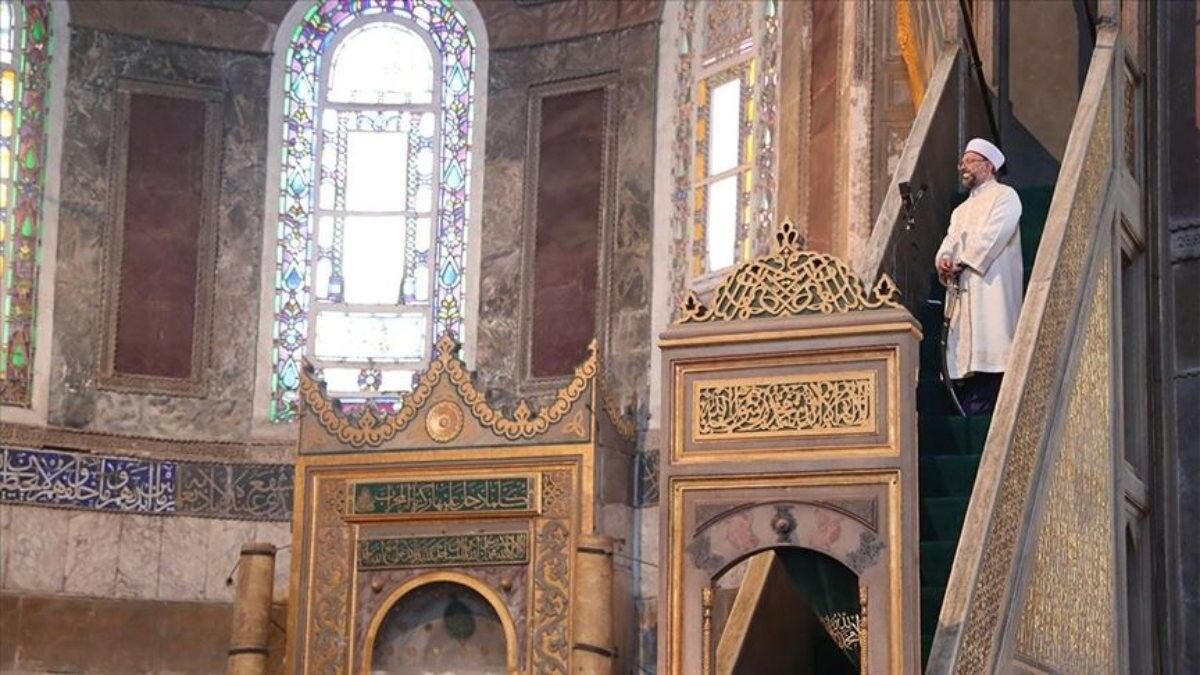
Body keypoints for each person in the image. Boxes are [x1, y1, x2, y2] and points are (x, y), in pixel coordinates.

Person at [935, 138, 1024, 415]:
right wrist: (944, 260)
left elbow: (994, 236)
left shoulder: (1005, 196)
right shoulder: (960, 211)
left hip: (990, 289)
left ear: (989, 166)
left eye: (970, 161)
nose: (964, 167)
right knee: (967, 364)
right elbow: (950, 240)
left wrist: (962, 260)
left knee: (992, 352)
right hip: (963, 290)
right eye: (962, 162)